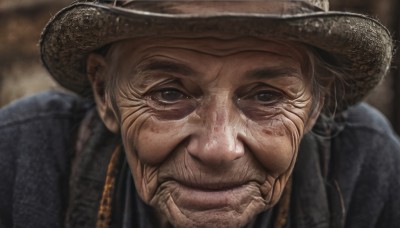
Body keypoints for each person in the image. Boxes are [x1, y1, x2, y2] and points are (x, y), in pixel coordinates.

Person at [0, 0, 399, 227]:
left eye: (265, 96)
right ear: (105, 94)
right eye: (169, 92)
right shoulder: (21, 154)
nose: (219, 148)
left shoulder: (366, 167)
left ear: (314, 106)